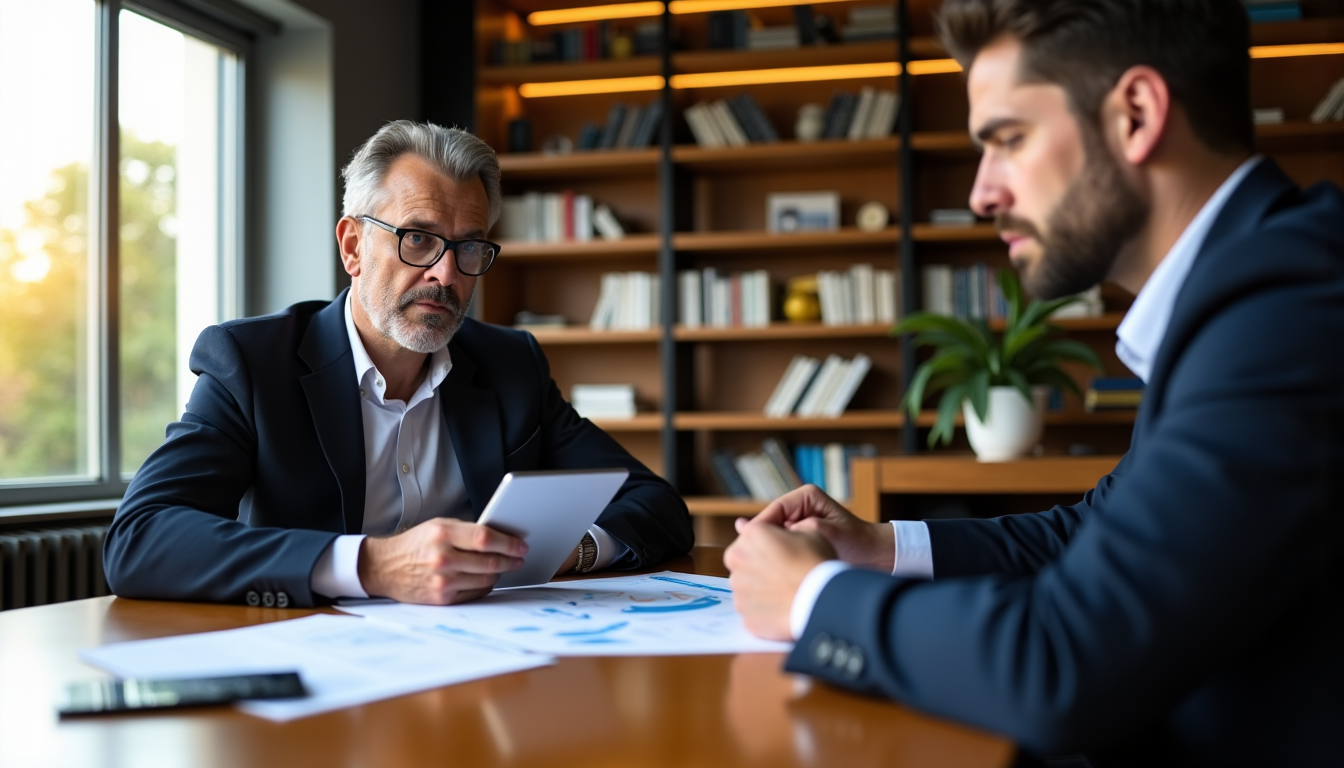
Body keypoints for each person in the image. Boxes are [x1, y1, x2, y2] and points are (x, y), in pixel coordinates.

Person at [725, 1, 1343, 765]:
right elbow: (1088, 534)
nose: (984, 192)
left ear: (1137, 115)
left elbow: (1066, 666)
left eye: (1008, 140)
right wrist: (880, 548)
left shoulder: (1289, 301)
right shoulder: (1254, 283)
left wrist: (812, 599)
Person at [105, 121, 693, 608]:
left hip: (487, 659)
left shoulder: (510, 364)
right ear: (353, 247)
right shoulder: (252, 363)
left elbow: (656, 503)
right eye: (417, 238)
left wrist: (578, 547)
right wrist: (372, 564)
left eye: (468, 247)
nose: (446, 274)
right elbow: (140, 539)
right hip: (316, 662)